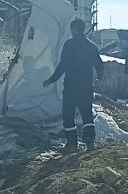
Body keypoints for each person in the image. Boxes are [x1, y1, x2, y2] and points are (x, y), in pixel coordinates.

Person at [42, 18, 104, 151]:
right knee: (87, 114)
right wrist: (99, 77)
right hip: (86, 86)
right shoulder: (92, 46)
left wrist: (51, 79)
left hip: (71, 86)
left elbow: (63, 65)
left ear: (73, 29)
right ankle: (90, 141)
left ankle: (71, 144)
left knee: (68, 114)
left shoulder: (69, 44)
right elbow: (99, 64)